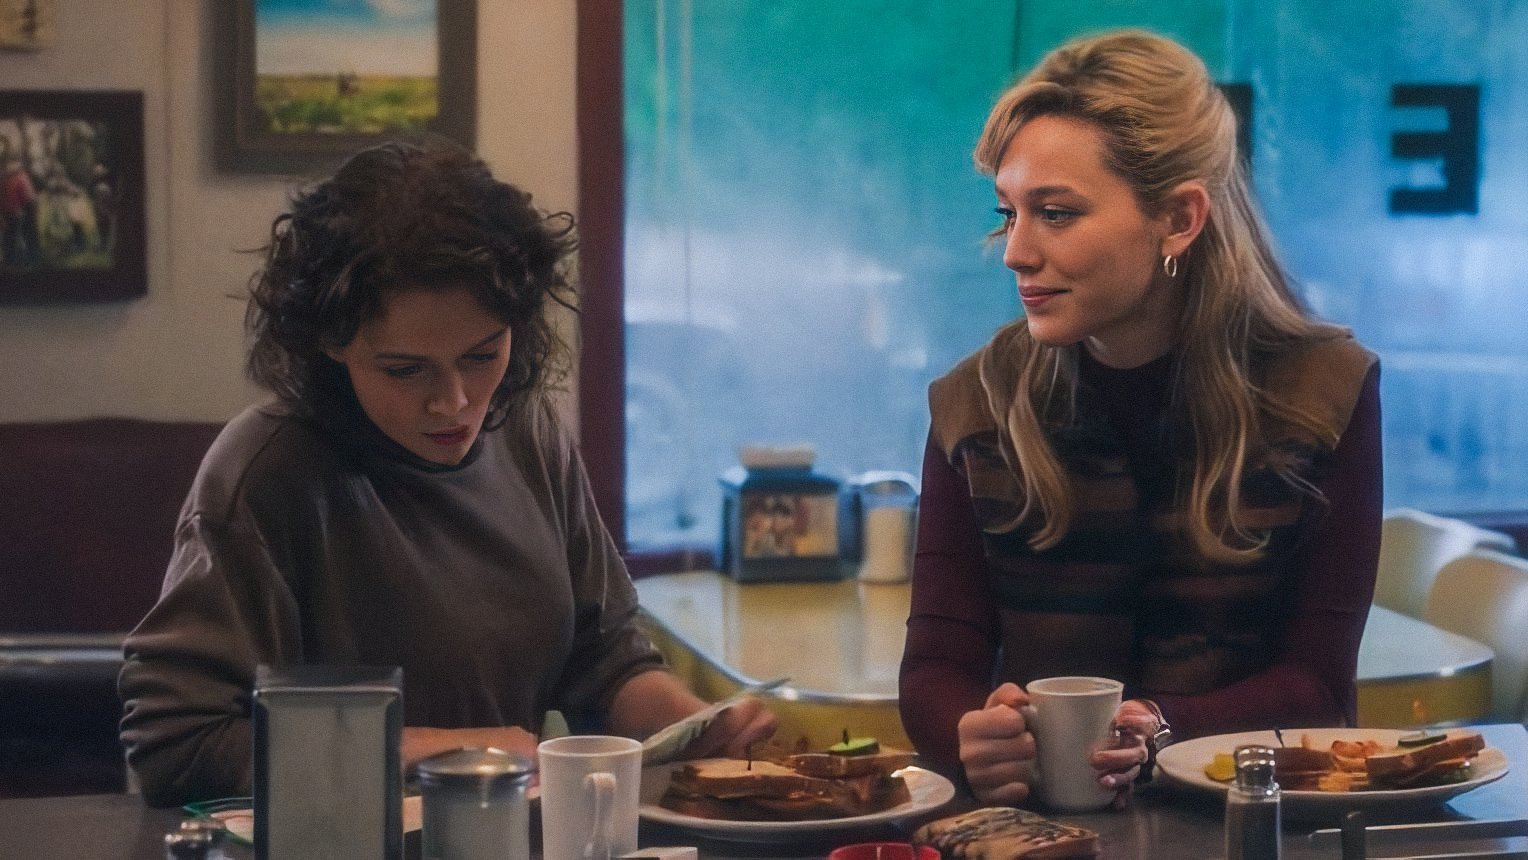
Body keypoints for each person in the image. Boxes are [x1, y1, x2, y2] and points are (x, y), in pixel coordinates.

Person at [119, 137, 777, 807]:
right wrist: (443, 749)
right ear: (331, 342)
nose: (455, 402)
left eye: (481, 356)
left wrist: (699, 725)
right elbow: (178, 743)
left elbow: (603, 659)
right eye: (406, 370)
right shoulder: (267, 474)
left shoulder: (525, 430)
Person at [898, 30, 1381, 808]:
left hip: (1249, 823)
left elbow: (1319, 686)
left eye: (1056, 213)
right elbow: (935, 668)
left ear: (1179, 218)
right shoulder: (976, 401)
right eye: (1009, 213)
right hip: (1042, 835)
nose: (1015, 251)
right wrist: (970, 731)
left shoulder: (1323, 390)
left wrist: (1167, 729)